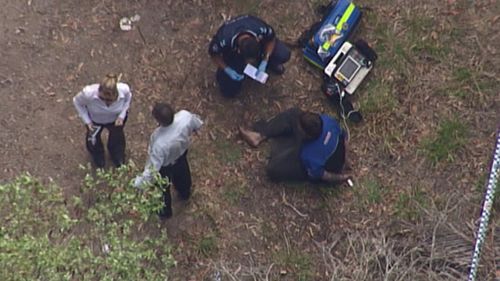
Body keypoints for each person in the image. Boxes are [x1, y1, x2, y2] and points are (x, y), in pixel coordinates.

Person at [239, 108, 351, 184]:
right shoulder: (328, 122)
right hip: (322, 147)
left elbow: (324, 175)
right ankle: (259, 136)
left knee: (273, 169)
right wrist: (346, 159)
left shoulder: (309, 156)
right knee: (294, 113)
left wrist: (341, 178)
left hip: (325, 165)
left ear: (305, 135)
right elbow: (344, 138)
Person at [133, 103, 203, 219]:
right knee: (183, 175)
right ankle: (184, 192)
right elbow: (196, 123)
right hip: (181, 157)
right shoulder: (184, 117)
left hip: (165, 167)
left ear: (157, 120)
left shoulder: (159, 141)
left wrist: (139, 182)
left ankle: (165, 211)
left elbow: (153, 168)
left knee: (162, 189)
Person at [209, 15, 291, 97]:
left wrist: (265, 59)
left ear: (257, 39)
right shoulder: (223, 39)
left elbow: (271, 39)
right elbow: (214, 54)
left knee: (283, 54)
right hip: (232, 54)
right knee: (229, 89)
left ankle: (268, 63)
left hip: (255, 46)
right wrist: (227, 69)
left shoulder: (259, 28)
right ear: (238, 50)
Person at [73, 73, 132, 168]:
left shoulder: (124, 90)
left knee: (117, 138)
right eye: (102, 98)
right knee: (93, 140)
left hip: (116, 120)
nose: (105, 103)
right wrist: (87, 120)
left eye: (110, 100)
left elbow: (128, 99)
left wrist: (122, 115)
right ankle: (97, 155)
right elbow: (77, 102)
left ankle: (116, 154)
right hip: (94, 121)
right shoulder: (88, 93)